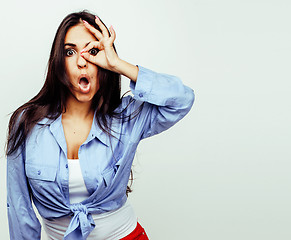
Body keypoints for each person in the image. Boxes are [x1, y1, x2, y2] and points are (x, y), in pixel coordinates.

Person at [6, 10, 194, 240]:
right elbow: (19, 209)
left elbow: (183, 99)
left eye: (93, 51)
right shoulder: (26, 123)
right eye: (70, 51)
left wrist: (118, 64)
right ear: (58, 62)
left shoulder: (127, 117)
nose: (82, 61)